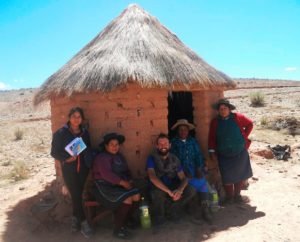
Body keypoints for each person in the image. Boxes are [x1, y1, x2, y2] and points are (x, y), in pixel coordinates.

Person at [51, 107, 93, 238]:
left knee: (77, 195)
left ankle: (75, 220)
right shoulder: (61, 133)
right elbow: (54, 152)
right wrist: (67, 158)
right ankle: (83, 222)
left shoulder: (84, 133)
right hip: (69, 169)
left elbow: (89, 148)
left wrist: (88, 161)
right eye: (74, 116)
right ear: (69, 117)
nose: (76, 119)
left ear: (82, 119)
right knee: (76, 195)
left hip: (83, 169)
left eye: (79, 117)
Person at [92, 133, 140, 240]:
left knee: (136, 195)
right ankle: (117, 230)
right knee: (127, 199)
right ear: (106, 146)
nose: (115, 147)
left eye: (117, 144)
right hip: (104, 187)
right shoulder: (102, 158)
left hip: (118, 186)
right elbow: (106, 175)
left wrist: (129, 180)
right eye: (111, 144)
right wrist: (123, 183)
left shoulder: (119, 157)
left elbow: (126, 171)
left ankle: (126, 221)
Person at [208, 98, 253, 204]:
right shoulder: (215, 122)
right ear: (218, 110)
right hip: (224, 154)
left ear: (229, 109)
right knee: (227, 176)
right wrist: (211, 151)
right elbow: (212, 138)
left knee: (240, 175)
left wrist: (244, 137)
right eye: (221, 109)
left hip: (240, 152)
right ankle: (229, 197)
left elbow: (250, 124)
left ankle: (237, 196)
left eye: (225, 108)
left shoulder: (238, 117)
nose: (223, 110)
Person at [146, 133, 196, 225]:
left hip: (173, 186)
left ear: (170, 145)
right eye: (160, 144)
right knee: (157, 192)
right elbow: (152, 177)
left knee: (191, 190)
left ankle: (172, 210)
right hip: (159, 186)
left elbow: (183, 177)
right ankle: (159, 216)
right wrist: (168, 191)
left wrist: (180, 190)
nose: (163, 146)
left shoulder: (175, 159)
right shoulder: (152, 158)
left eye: (165, 144)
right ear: (157, 146)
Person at [171, 119, 212, 223]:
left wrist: (199, 168)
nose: (183, 132)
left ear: (188, 130)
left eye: (185, 129)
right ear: (177, 131)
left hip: (194, 168)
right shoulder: (173, 143)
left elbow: (198, 155)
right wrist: (183, 170)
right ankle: (182, 209)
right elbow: (173, 159)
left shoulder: (192, 141)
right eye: (180, 129)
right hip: (181, 171)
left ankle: (205, 210)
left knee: (203, 183)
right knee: (192, 185)